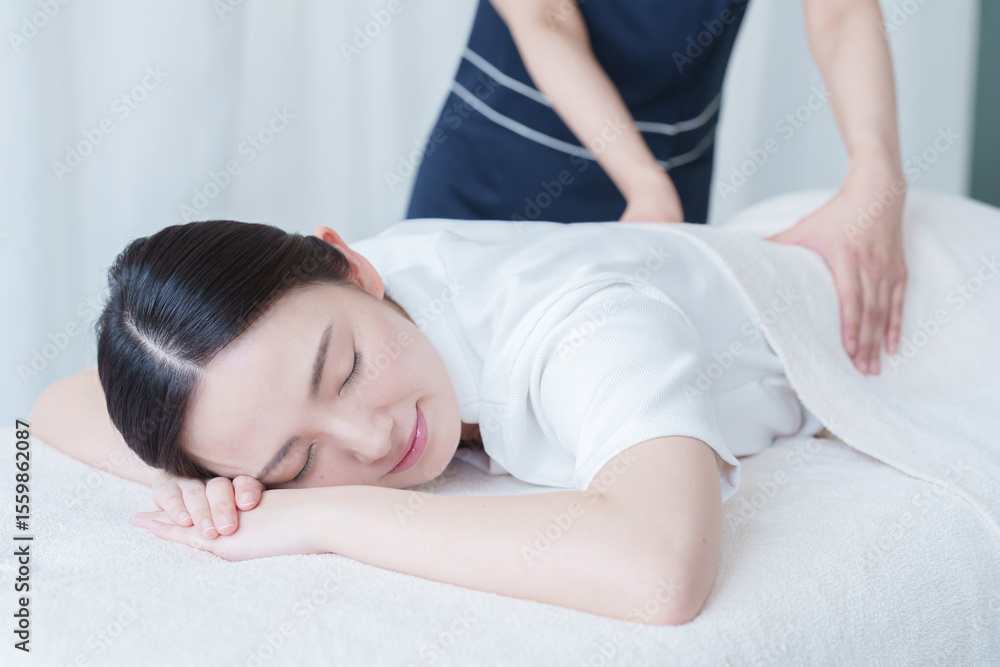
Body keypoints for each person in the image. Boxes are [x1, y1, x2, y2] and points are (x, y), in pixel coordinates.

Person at [30, 218, 828, 626]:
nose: (371, 439)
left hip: (848, 321)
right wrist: (193, 476)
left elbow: (659, 569)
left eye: (345, 371)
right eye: (296, 461)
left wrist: (320, 513)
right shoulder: (302, 317)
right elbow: (58, 402)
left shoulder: (582, 321)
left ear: (354, 266)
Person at [405, 0, 909, 379]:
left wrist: (877, 172)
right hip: (497, 187)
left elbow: (842, 13)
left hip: (663, 197)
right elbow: (545, 17)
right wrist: (643, 183)